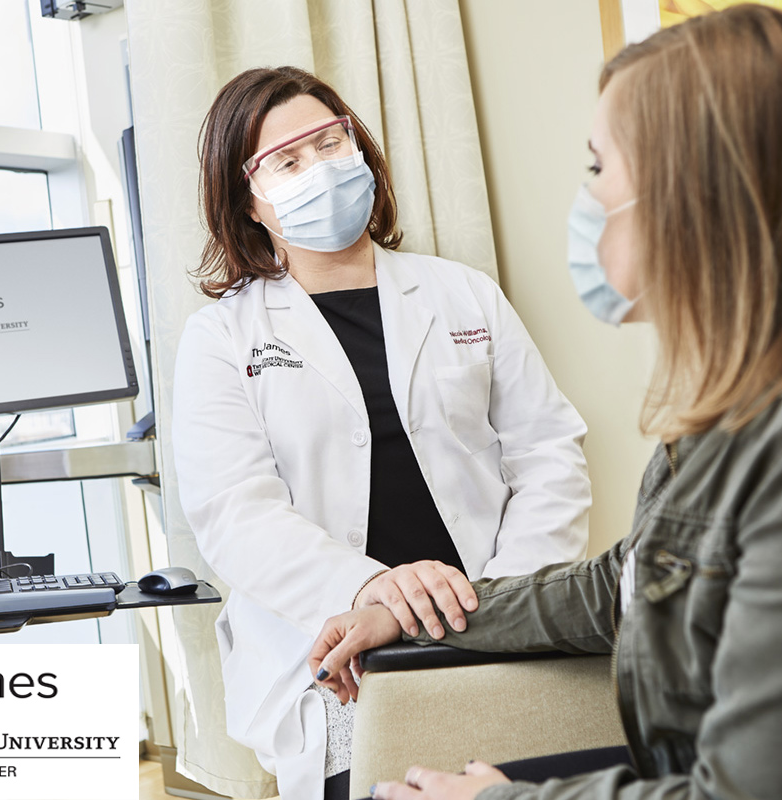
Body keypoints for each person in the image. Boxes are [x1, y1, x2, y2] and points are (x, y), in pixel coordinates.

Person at [307, 6, 782, 799]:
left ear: (700, 191)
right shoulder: (748, 402)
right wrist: (422, 614)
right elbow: (624, 582)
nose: (585, 199)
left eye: (598, 168)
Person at [172, 67, 592, 799]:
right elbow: (235, 511)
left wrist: (496, 603)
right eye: (289, 162)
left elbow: (548, 453)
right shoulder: (220, 338)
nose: (321, 170)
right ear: (248, 199)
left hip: (491, 624)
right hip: (338, 655)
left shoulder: (462, 293)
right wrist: (376, 588)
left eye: (332, 143)